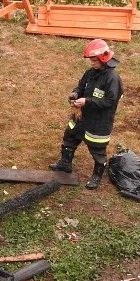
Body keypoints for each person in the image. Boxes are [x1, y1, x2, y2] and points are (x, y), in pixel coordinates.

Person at [49, 39, 123, 190]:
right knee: (70, 135)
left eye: (94, 60)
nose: (91, 63)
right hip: (82, 116)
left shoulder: (112, 79)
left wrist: (87, 101)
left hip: (99, 121)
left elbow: (110, 101)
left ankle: (96, 175)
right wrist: (76, 94)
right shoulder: (91, 73)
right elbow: (81, 86)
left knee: (97, 149)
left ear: (103, 58)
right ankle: (65, 163)